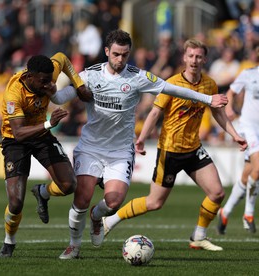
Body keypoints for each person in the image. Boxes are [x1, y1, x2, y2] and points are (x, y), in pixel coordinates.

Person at [50, 31, 234, 260]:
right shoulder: (88, 76)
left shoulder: (137, 77)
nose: (120, 60)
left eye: (125, 55)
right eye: (116, 54)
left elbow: (170, 88)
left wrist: (208, 99)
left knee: (114, 201)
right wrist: (50, 88)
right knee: (82, 199)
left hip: (120, 151)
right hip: (91, 147)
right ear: (107, 52)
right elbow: (59, 98)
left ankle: (97, 218)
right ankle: (73, 246)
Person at [101, 38, 247, 253]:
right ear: (184, 58)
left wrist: (235, 134)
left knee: (217, 193)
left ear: (205, 59)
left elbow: (218, 113)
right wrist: (141, 138)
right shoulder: (172, 84)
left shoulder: (209, 84)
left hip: (193, 149)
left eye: (198, 56)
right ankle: (110, 221)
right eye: (190, 56)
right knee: (154, 203)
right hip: (169, 151)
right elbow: (154, 112)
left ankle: (198, 237)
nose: (194, 60)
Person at [0, 52, 92, 258]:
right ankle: (9, 242)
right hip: (16, 141)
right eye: (44, 81)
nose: (49, 85)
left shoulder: (47, 73)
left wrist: (79, 85)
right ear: (30, 77)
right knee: (15, 202)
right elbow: (20, 133)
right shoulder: (14, 93)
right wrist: (49, 123)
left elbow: (64, 59)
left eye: (50, 80)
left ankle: (43, 193)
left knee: (69, 185)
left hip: (41, 135)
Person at [217, 56, 259, 234]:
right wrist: (229, 108)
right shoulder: (249, 74)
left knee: (247, 176)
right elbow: (231, 91)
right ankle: (248, 214)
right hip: (249, 127)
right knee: (258, 169)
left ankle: (225, 212)